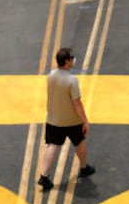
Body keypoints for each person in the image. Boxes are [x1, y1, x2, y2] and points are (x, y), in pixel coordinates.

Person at [36, 47, 96, 190]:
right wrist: (85, 121)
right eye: (71, 57)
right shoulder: (72, 80)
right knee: (79, 142)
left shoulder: (51, 75)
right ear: (67, 62)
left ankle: (44, 176)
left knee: (52, 145)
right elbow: (77, 103)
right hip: (71, 121)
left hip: (53, 119)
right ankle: (84, 167)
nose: (74, 59)